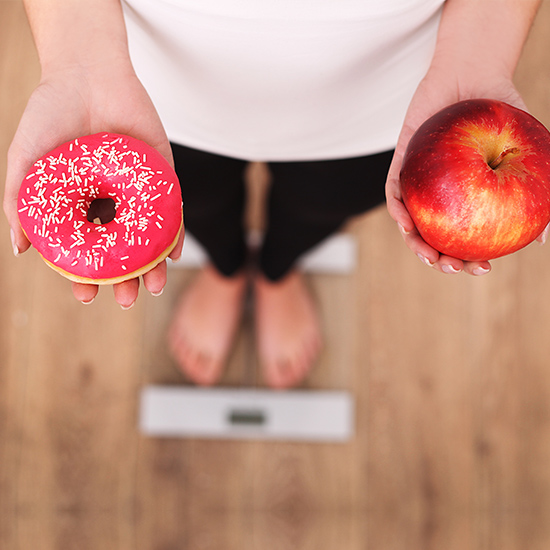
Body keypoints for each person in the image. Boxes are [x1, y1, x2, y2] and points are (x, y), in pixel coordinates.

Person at [3, 0, 545, 389]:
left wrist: (478, 57)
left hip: (392, 98)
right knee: (197, 203)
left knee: (321, 205)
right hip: (143, 88)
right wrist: (77, 58)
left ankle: (278, 270)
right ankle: (226, 265)